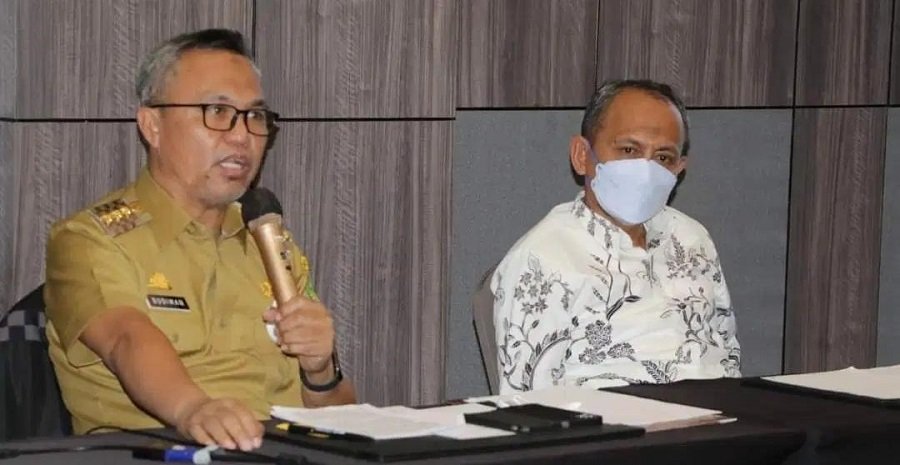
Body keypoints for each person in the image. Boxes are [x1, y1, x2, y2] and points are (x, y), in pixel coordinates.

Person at [44, 29, 355, 450]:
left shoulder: (271, 243)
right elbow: (126, 338)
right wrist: (193, 409)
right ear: (152, 125)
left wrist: (320, 372)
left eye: (255, 116)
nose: (242, 136)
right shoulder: (89, 240)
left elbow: (341, 422)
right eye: (217, 111)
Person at [492, 79, 740, 394]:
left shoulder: (692, 239)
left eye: (663, 157)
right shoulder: (543, 259)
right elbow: (531, 404)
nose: (646, 169)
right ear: (582, 155)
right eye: (628, 150)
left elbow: (727, 354)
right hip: (616, 423)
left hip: (720, 418)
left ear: (680, 168)